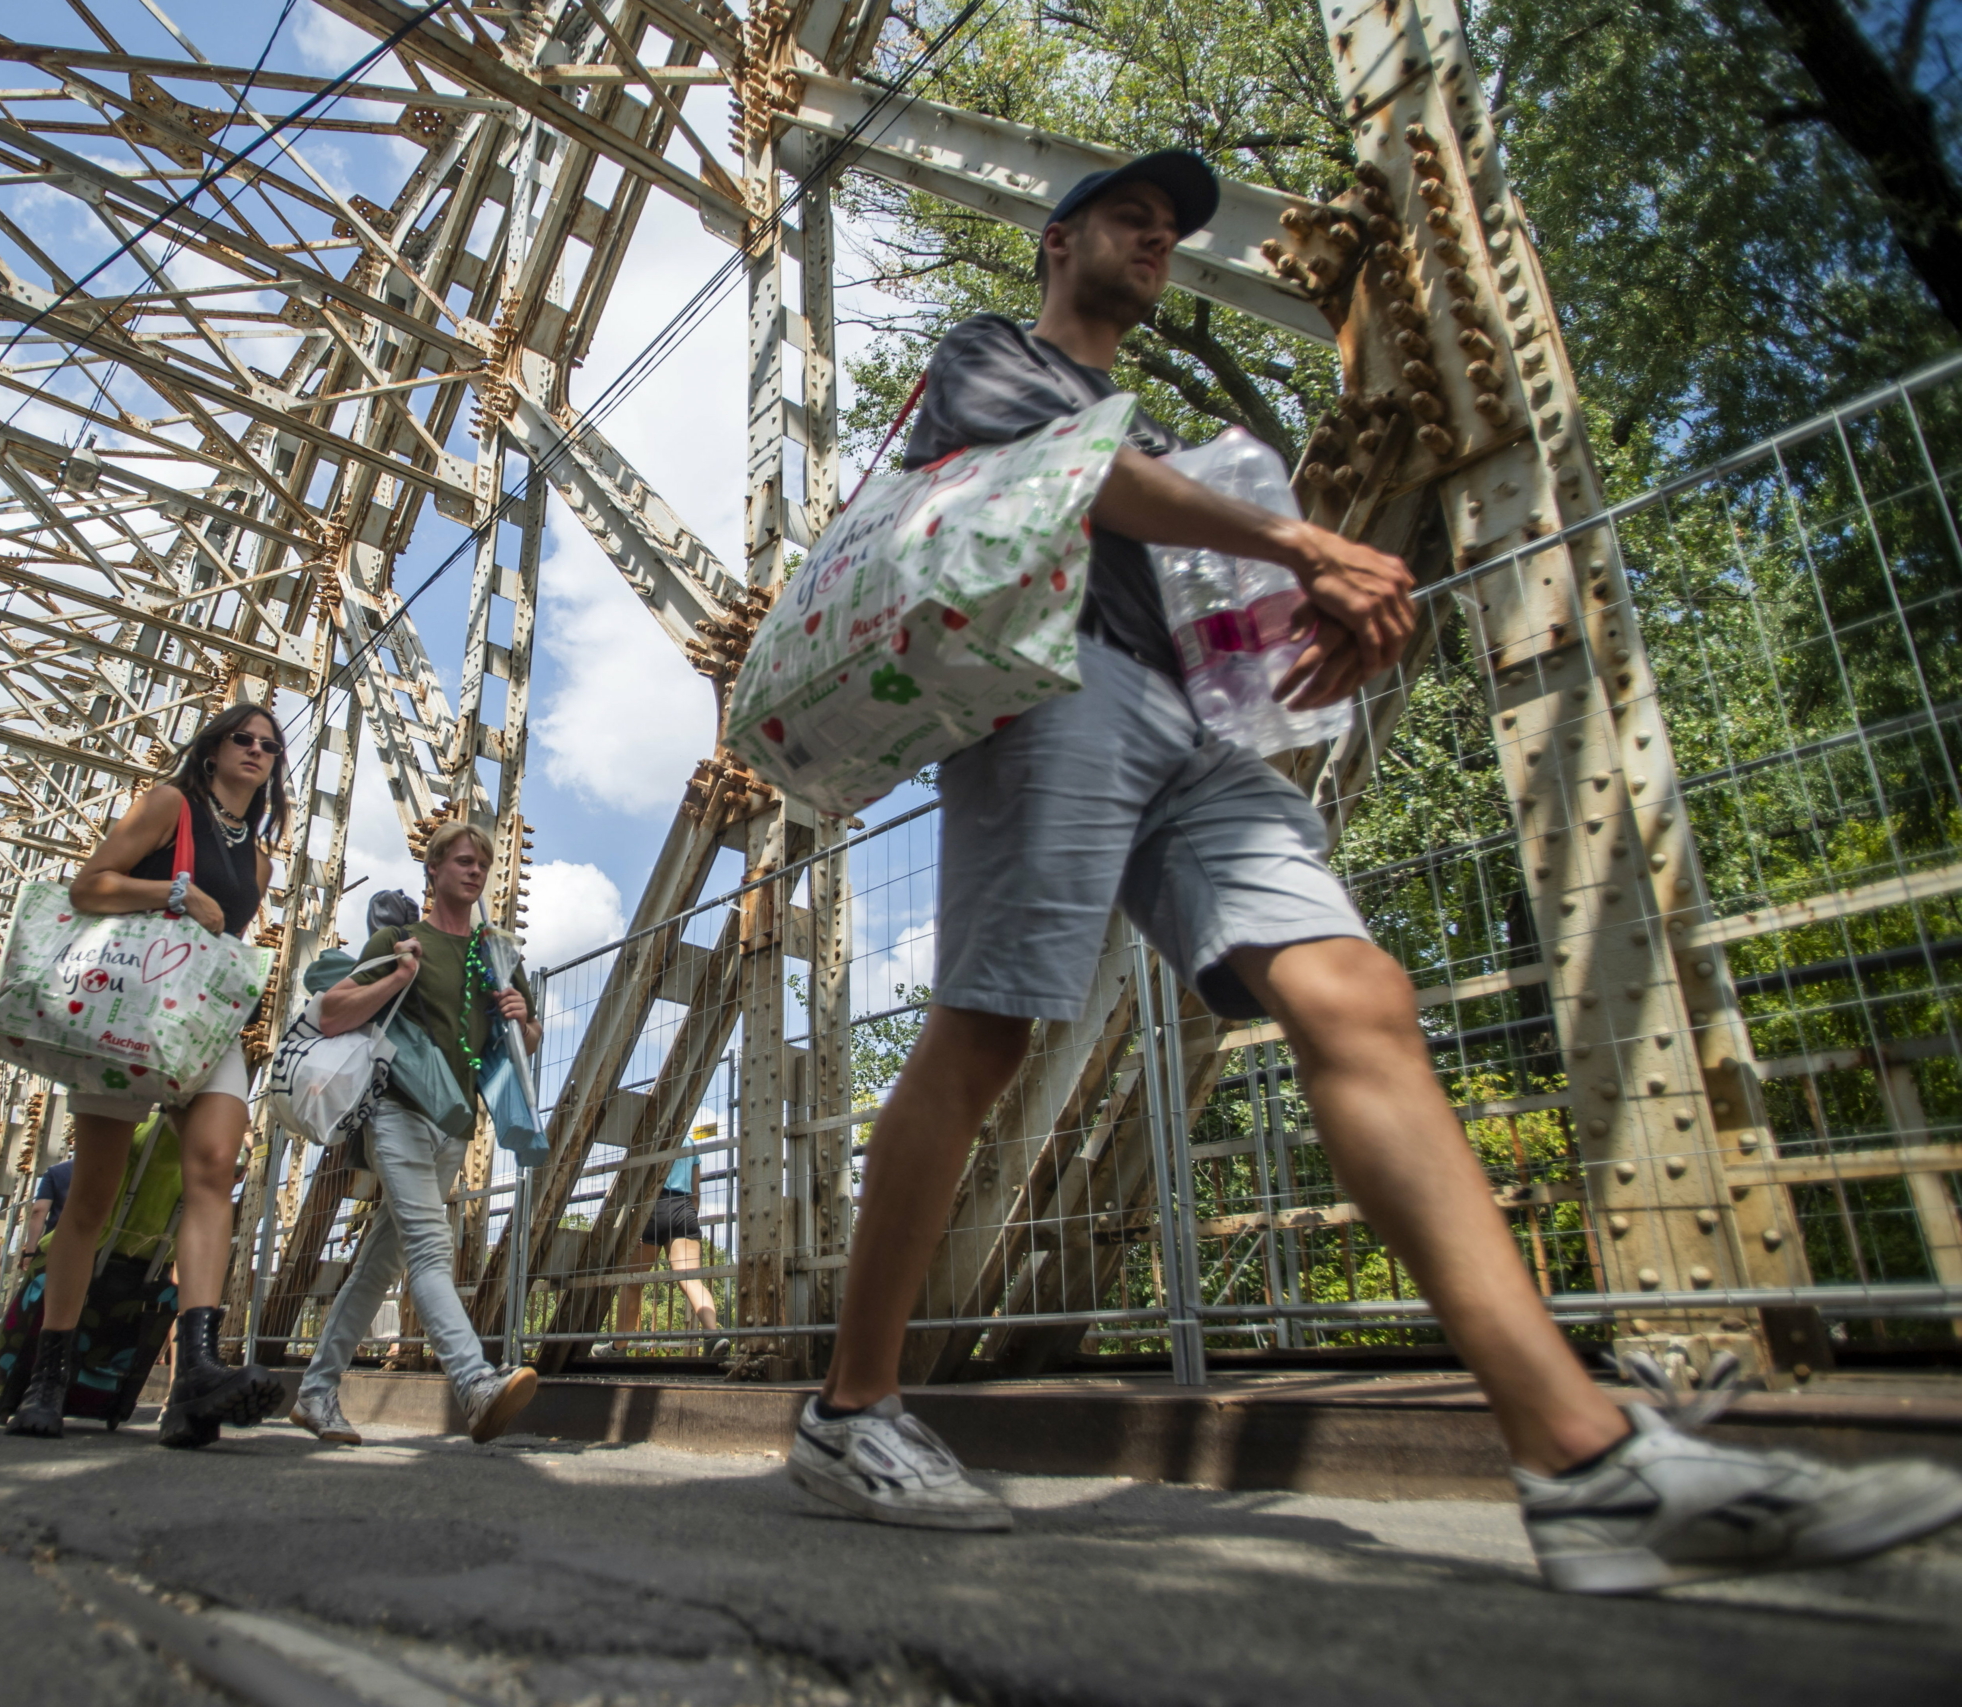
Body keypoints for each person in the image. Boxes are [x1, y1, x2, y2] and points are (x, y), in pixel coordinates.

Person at [784, 152, 1962, 1594]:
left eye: (1173, 229)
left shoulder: (1167, 435)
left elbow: (1208, 579)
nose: (1159, 240)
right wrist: (1304, 538)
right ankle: (849, 1411)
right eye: (1132, 219)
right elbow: (1089, 490)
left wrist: (1321, 623)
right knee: (987, 1029)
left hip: (1195, 734)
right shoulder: (993, 359)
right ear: (1060, 238)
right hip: (1053, 698)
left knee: (1357, 993)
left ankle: (1582, 1461)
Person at [5, 701, 289, 1447]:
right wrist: (170, 891)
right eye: (243, 738)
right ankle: (48, 1373)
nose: (257, 750)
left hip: (198, 1018)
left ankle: (194, 1375)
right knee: (92, 1197)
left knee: (215, 1168)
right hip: (129, 1007)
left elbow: (224, 937)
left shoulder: (259, 860)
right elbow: (87, 885)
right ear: (214, 748)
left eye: (269, 743)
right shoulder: (170, 805)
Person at [289, 822, 543, 1448]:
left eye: (482, 864)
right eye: (462, 861)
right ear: (432, 871)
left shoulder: (499, 953)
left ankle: (316, 1393)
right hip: (397, 1112)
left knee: (379, 1265)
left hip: (456, 1126)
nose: (475, 872)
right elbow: (329, 1013)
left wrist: (521, 1022)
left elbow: (525, 1047)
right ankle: (475, 1383)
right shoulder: (398, 938)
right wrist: (395, 980)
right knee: (431, 1248)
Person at [612, 1127, 721, 1347]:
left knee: (632, 1282)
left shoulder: (646, 1137)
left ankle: (617, 1346)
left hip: (650, 1209)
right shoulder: (690, 1141)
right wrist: (689, 1219)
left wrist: (631, 1223)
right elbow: (695, 1192)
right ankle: (714, 1335)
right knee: (690, 1279)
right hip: (683, 1209)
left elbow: (631, 1186)